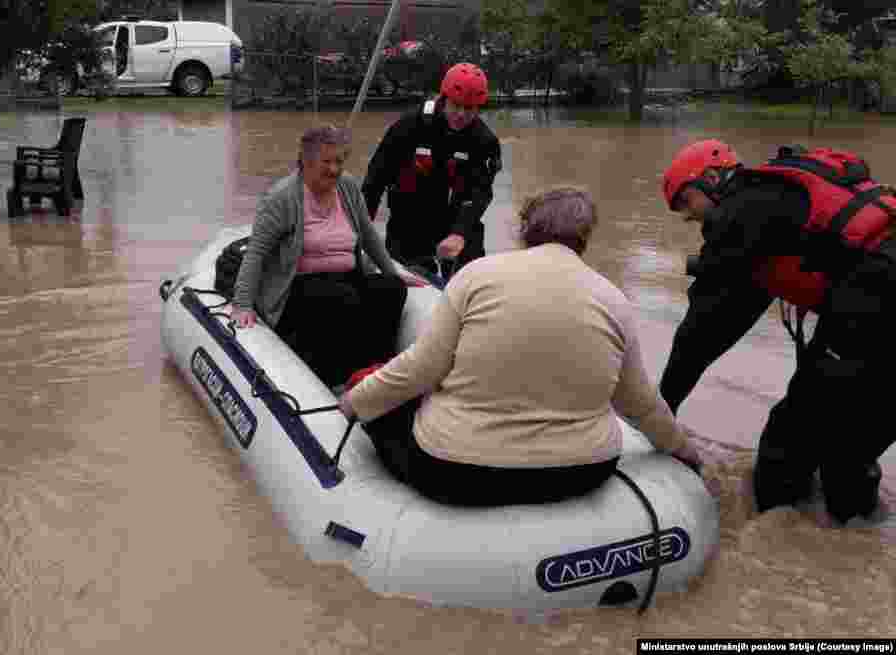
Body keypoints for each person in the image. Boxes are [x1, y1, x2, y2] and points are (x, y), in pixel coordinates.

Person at [338, 186, 707, 507]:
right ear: (584, 237)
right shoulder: (612, 299)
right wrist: (683, 450)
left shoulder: (476, 276)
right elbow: (639, 402)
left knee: (383, 409)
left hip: (456, 471)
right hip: (582, 472)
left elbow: (420, 370)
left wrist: (356, 401)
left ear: (525, 229)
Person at [659, 139, 896, 525]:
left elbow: (704, 332)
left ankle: (777, 549)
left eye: (686, 201)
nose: (688, 217)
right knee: (850, 454)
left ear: (713, 177)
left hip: (875, 310)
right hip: (872, 312)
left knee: (785, 449)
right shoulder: (780, 193)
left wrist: (661, 411)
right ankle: (860, 549)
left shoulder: (740, 214)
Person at [230, 125, 424, 388]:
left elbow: (368, 235)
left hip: (345, 278)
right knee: (341, 298)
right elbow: (256, 253)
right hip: (297, 287)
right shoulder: (281, 198)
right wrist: (242, 304)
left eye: (339, 161)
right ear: (306, 162)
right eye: (326, 162)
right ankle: (336, 377)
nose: (334, 169)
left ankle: (378, 369)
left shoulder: (348, 187)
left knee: (391, 289)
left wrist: (392, 271)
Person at [361, 63, 502, 279]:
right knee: (402, 282)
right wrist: (363, 225)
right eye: (456, 106)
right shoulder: (410, 125)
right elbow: (376, 177)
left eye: (470, 108)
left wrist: (459, 234)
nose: (462, 114)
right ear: (443, 98)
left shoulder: (484, 141)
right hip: (408, 221)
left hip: (457, 221)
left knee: (472, 277)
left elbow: (480, 193)